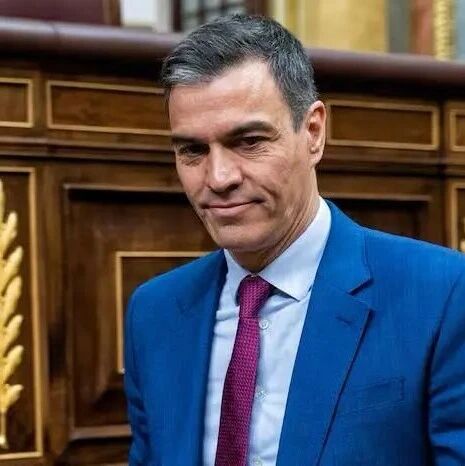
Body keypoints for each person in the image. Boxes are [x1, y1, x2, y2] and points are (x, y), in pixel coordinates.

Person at [124, 14, 465, 466]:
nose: (218, 178)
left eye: (249, 141)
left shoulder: (441, 294)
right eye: (193, 150)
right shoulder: (154, 313)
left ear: (314, 133)